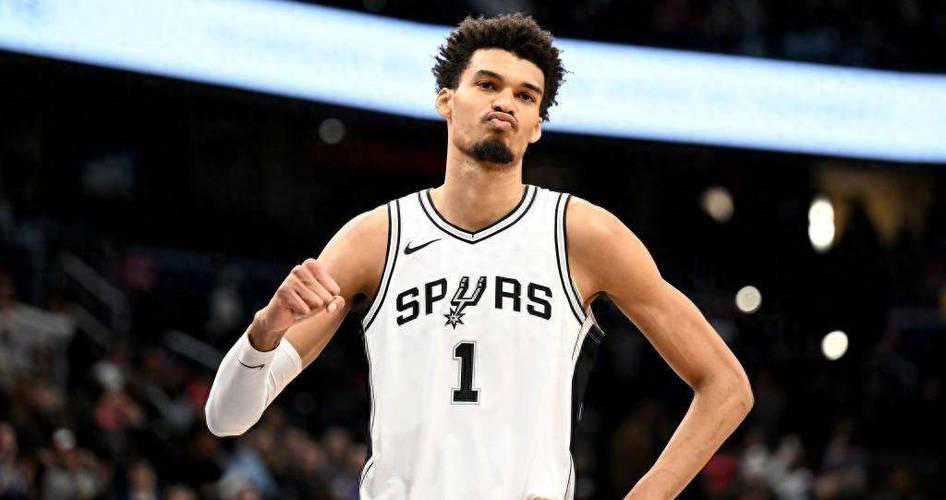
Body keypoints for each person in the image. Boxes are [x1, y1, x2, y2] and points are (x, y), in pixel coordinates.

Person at [205, 13, 753, 499]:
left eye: (526, 96)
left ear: (537, 126)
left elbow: (727, 387)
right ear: (446, 99)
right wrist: (265, 330)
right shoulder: (375, 238)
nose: (506, 103)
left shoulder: (581, 234)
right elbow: (226, 418)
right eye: (488, 84)